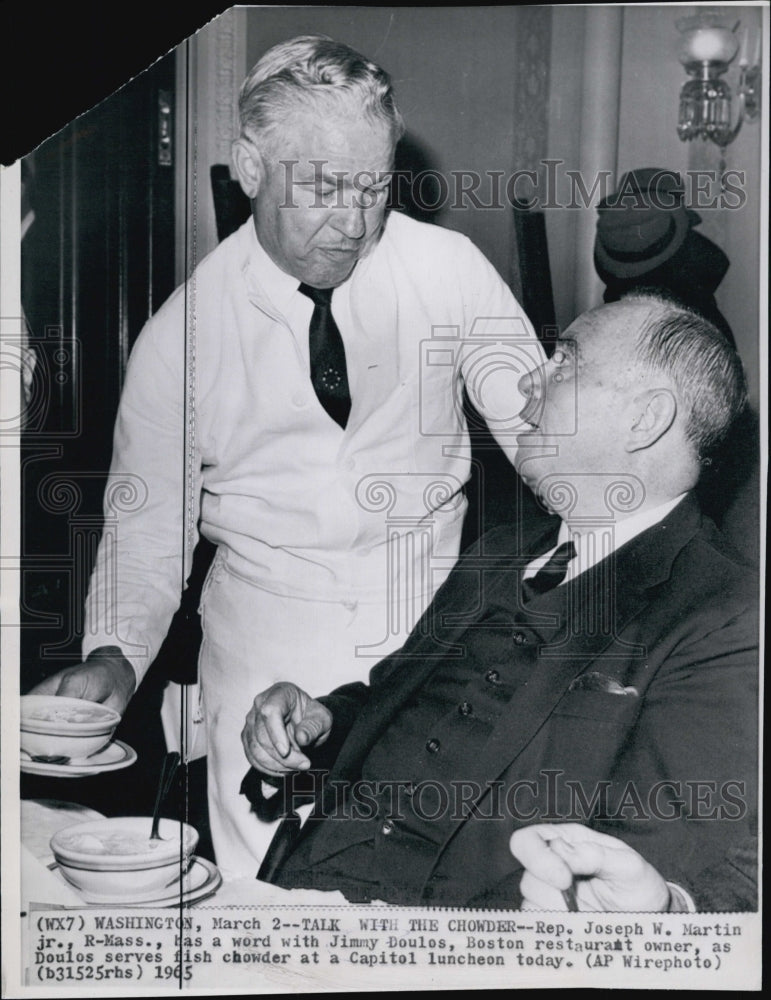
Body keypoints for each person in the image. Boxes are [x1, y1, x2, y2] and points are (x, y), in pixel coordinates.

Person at [29, 36, 544, 876]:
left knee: (431, 891)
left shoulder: (447, 272)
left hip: (433, 646)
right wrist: (113, 657)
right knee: (272, 902)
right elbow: (145, 533)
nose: (354, 222)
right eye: (324, 188)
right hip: (263, 663)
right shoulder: (180, 337)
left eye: (373, 187)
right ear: (249, 167)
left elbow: (549, 441)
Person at [241, 293, 758, 910]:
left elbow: (656, 862)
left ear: (646, 419)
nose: (527, 380)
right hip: (299, 891)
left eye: (565, 362)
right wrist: (319, 722)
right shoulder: (499, 549)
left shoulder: (725, 615)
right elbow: (393, 702)